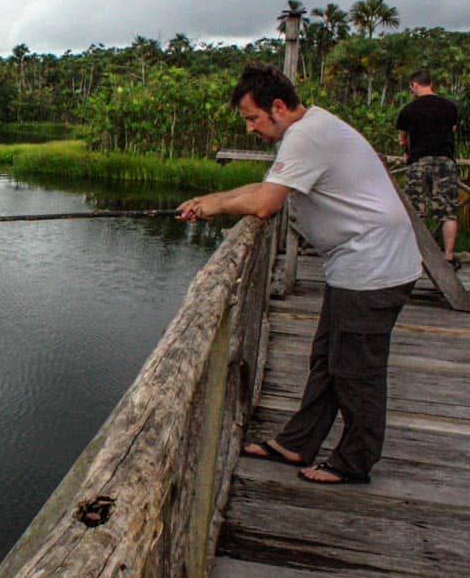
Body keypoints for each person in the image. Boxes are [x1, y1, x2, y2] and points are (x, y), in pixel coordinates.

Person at [178, 63, 422, 485]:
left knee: (356, 371)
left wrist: (216, 205)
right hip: (358, 265)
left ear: (277, 106)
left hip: (373, 267)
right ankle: (298, 441)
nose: (252, 128)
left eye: (253, 118)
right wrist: (209, 200)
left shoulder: (305, 137)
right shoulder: (311, 129)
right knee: (328, 360)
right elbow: (262, 189)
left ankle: (355, 462)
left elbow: (264, 204)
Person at [396, 69, 461, 270]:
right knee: (448, 211)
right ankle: (448, 256)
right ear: (430, 83)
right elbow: (452, 131)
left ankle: (416, 254)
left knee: (415, 211)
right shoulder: (450, 107)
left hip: (419, 162)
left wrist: (407, 151)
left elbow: (402, 139)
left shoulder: (408, 110)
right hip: (445, 161)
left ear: (415, 85)